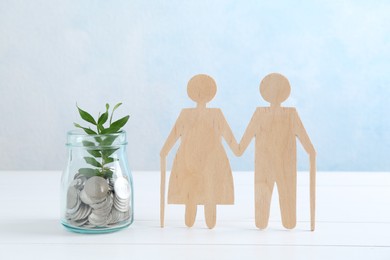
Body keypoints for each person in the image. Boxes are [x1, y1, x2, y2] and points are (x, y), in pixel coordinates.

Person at [238, 73, 316, 229]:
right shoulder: (288, 114)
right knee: (284, 196)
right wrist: (311, 153)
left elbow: (242, 144)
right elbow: (307, 144)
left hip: (270, 165)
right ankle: (285, 222)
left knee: (268, 195)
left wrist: (236, 148)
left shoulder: (263, 114)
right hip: (279, 165)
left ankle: (272, 222)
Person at [160, 74, 239, 229]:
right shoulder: (213, 114)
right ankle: (203, 219)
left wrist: (164, 151)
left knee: (196, 187)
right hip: (206, 158)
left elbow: (173, 136)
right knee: (206, 187)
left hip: (193, 157)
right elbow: (231, 140)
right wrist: (238, 149)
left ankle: (195, 218)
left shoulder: (189, 114)